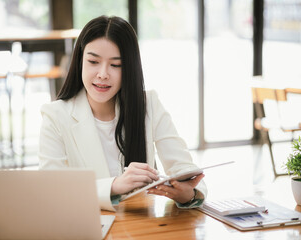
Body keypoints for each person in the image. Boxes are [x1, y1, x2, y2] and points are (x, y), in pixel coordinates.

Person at [38, 15, 207, 211]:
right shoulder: (55, 115)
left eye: (116, 65)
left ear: (129, 68)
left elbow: (183, 167)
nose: (103, 74)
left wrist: (188, 194)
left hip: (140, 227)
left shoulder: (148, 104)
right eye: (93, 61)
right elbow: (51, 190)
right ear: (80, 62)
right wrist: (114, 185)